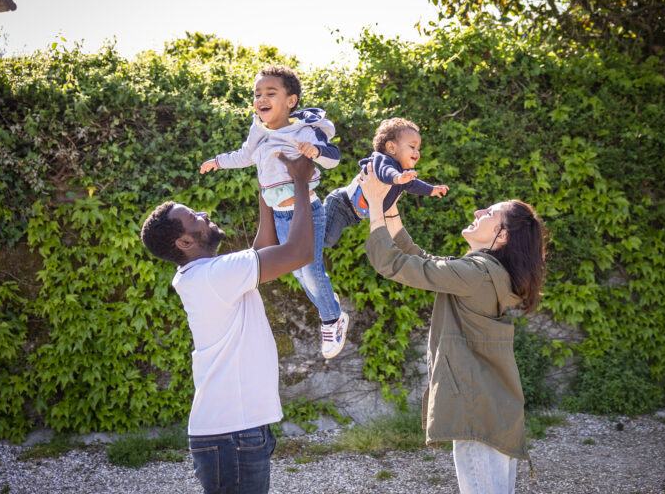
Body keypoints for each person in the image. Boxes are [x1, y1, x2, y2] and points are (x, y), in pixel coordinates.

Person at [358, 163, 546, 494]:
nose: (478, 211)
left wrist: (374, 205)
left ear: (501, 236)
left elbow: (396, 264)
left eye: (489, 212)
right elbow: (425, 262)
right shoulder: (487, 273)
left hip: (477, 416)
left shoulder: (477, 274)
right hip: (496, 412)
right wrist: (390, 208)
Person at [140, 154, 316, 494]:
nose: (204, 215)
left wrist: (268, 186)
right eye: (194, 217)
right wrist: (301, 182)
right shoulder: (213, 276)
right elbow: (300, 252)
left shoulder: (205, 275)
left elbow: (265, 248)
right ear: (185, 242)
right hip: (232, 434)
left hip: (236, 431)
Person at [199, 64, 348, 360]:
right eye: (257, 94)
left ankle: (332, 320)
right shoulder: (259, 130)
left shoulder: (304, 130)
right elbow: (244, 156)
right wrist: (218, 161)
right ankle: (329, 303)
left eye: (270, 92)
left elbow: (333, 158)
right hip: (280, 215)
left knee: (310, 268)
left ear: (290, 101)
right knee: (298, 271)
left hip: (306, 211)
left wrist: (314, 152)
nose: (261, 98)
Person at [323, 117, 448, 248]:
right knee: (326, 240)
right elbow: (385, 172)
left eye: (418, 148)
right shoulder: (381, 160)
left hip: (354, 215)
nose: (416, 152)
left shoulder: (403, 174)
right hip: (341, 204)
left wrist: (432, 190)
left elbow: (415, 185)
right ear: (391, 147)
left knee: (326, 240)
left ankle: (308, 220)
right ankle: (307, 215)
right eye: (412, 146)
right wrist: (398, 178)